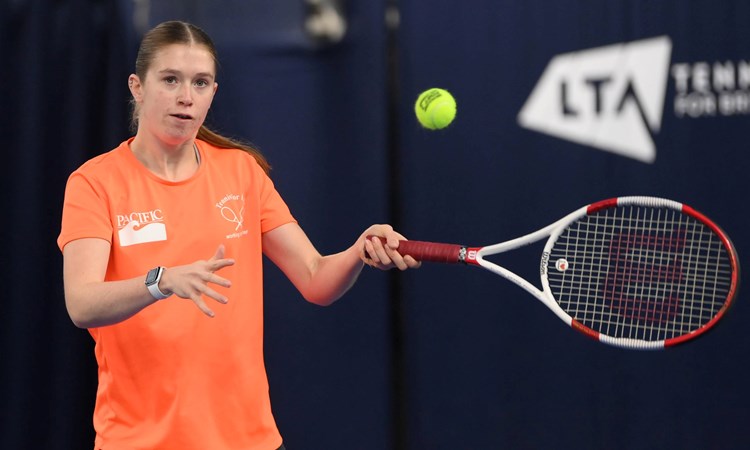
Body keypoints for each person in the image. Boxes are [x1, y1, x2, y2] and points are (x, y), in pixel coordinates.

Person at [58, 20, 419, 450]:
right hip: (139, 440)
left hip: (249, 440)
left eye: (201, 82)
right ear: (137, 86)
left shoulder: (241, 173)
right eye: (170, 80)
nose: (185, 97)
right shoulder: (94, 183)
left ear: (213, 93)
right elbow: (82, 303)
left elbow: (316, 278)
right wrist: (161, 281)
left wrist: (358, 252)